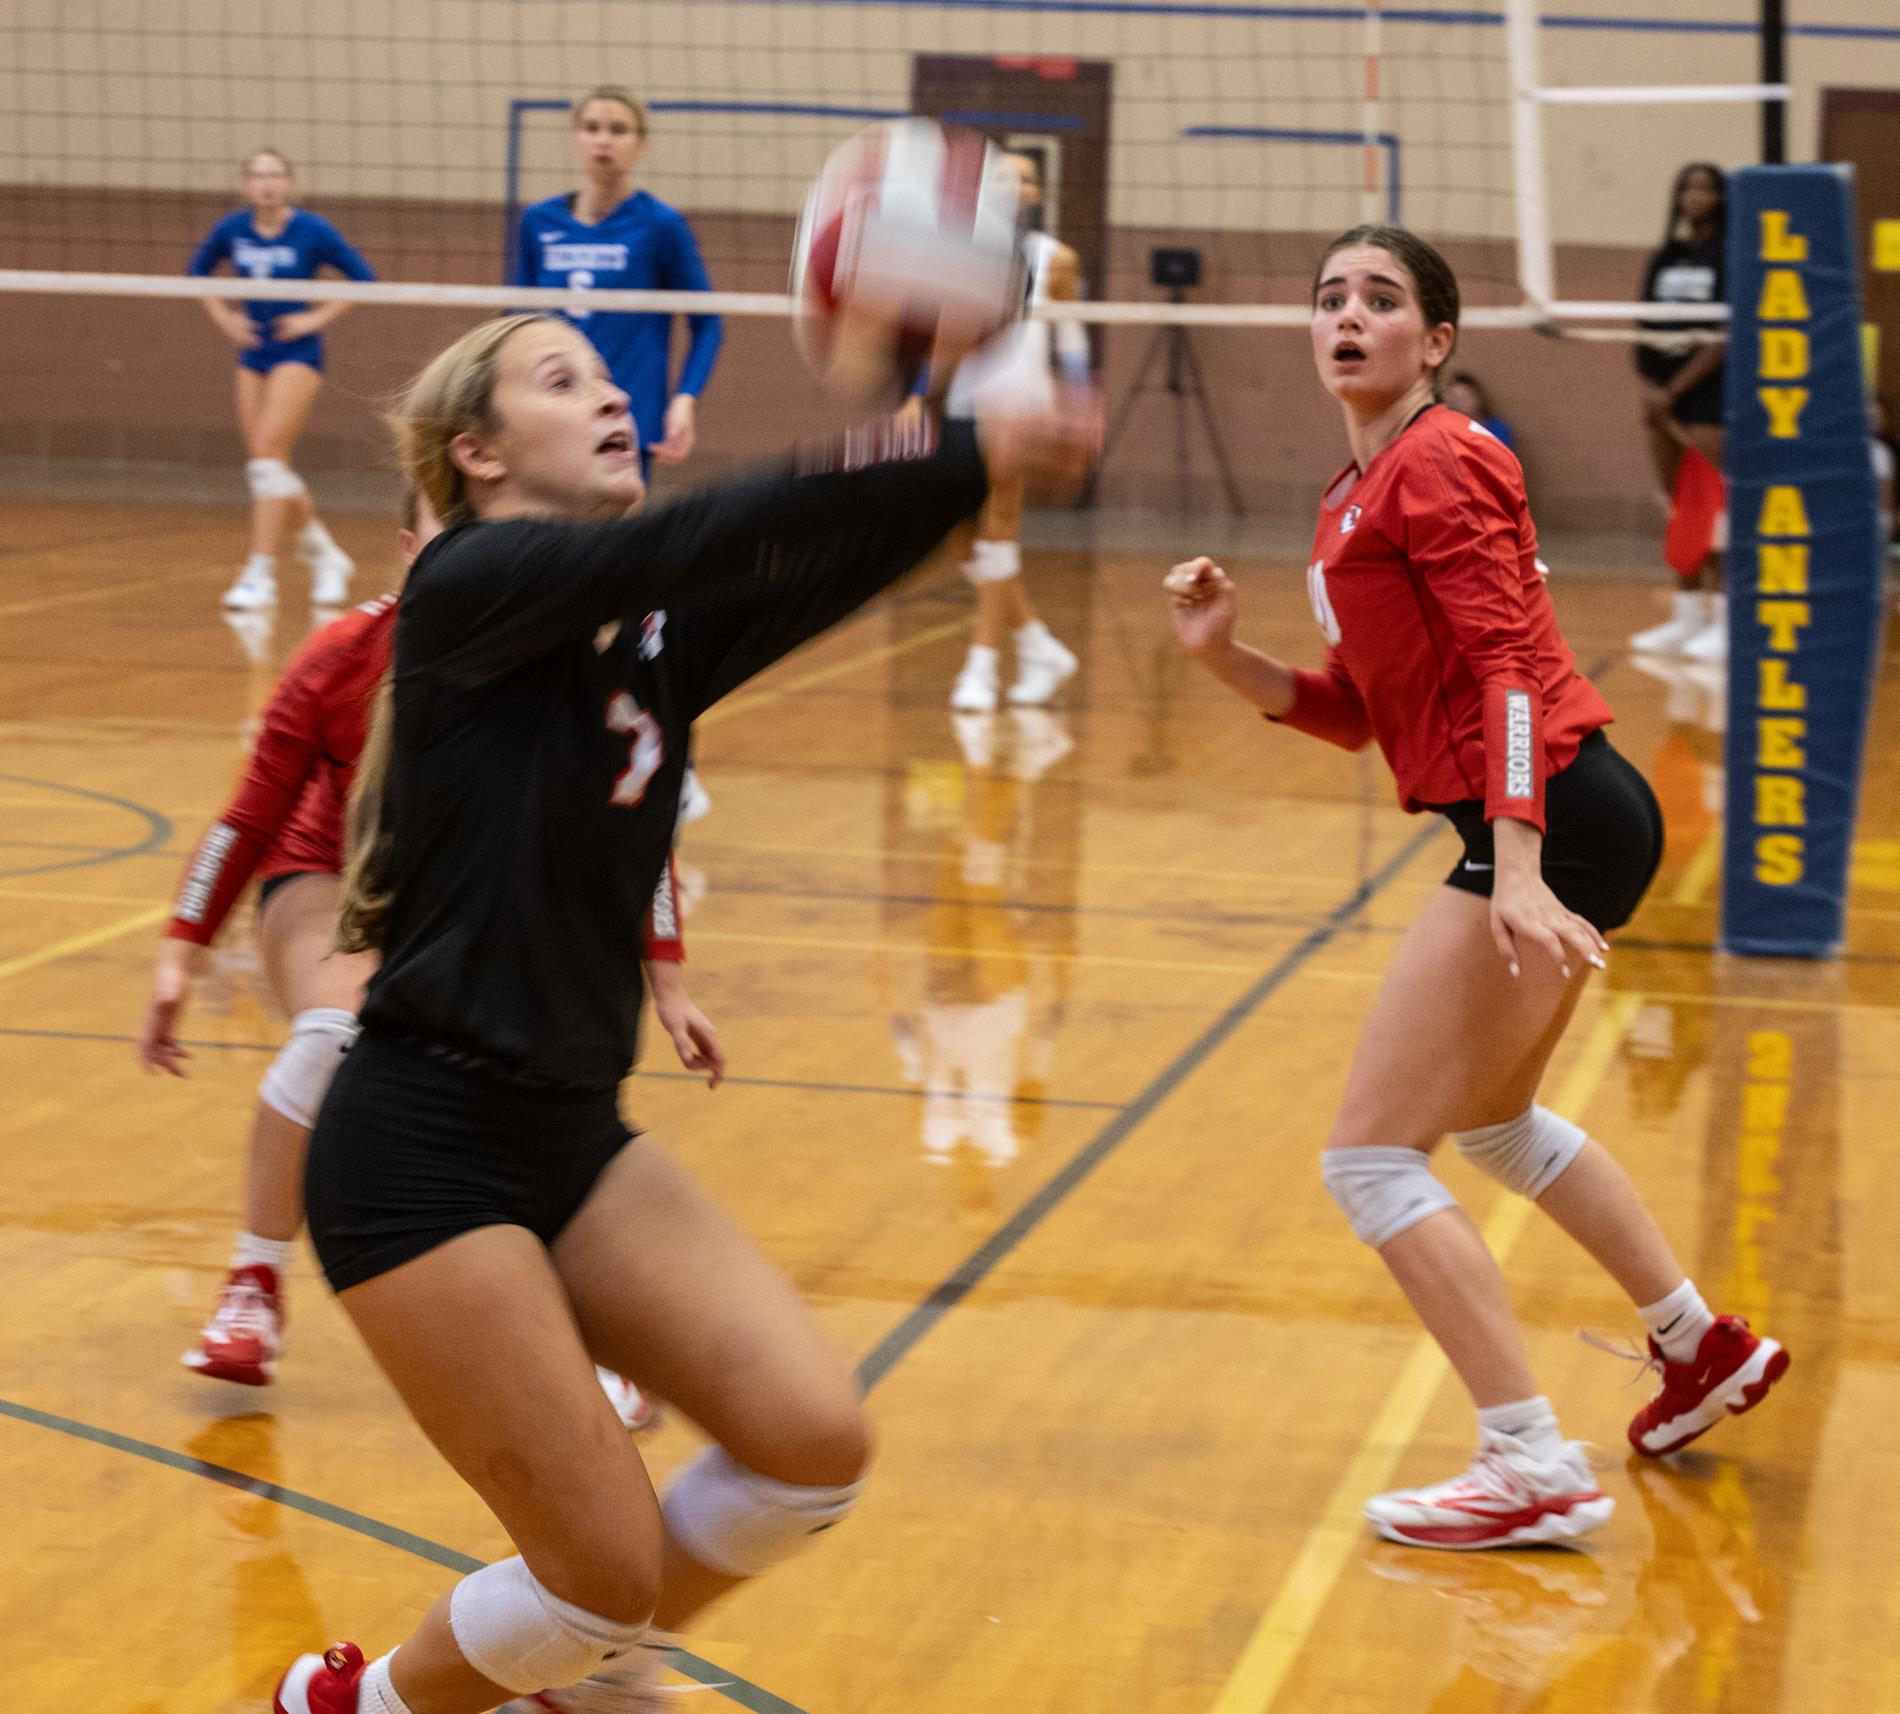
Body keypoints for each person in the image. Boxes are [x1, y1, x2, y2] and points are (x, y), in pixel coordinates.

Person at [270, 313, 1093, 1713]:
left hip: (569, 1132)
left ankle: (564, 1681)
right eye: (562, 380)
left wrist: (975, 477)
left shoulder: (634, 630)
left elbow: (804, 568)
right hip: (422, 1146)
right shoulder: (469, 580)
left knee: (808, 1441)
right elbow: (698, 540)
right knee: (594, 1573)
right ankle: (352, 1707)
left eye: (611, 378)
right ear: (475, 452)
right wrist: (953, 437)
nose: (611, 399)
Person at [1162, 224, 1785, 1551]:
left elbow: (1507, 661)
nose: (1347, 315)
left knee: (1370, 1155)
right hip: (1556, 808)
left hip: (1548, 808)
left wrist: (1510, 862)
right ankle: (1699, 1344)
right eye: (1328, 295)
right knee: (1495, 1126)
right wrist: (1224, 657)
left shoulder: (1444, 457)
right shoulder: (1352, 492)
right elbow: (1360, 711)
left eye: (1380, 299)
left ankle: (1529, 1459)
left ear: (1434, 341)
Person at [139, 493, 710, 1432]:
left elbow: (639, 835)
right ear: (411, 550)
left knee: (530, 1084)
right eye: (464, 542)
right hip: (334, 877)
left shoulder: (574, 670)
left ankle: (581, 1339)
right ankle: (253, 1282)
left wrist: (670, 979)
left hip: (480, 896)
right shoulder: (342, 656)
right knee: (333, 1033)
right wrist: (180, 951)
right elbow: (246, 816)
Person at [513, 86, 725, 823]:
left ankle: (672, 761)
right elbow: (514, 330)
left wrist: (684, 400)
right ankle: (561, 747)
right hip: (543, 438)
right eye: (593, 127)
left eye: (619, 129)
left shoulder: (659, 226)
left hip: (616, 438)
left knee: (625, 594)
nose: (604, 140)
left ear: (639, 142)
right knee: (551, 592)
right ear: (576, 138)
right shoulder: (538, 223)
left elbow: (708, 321)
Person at [931, 150, 1087, 714]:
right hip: (963, 400)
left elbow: (1069, 338)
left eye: (1025, 179)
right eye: (1002, 175)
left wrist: (1080, 401)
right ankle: (1038, 645)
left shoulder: (1056, 259)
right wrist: (913, 398)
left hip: (1021, 407)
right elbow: (939, 334)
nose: (1014, 185)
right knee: (959, 536)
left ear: (1036, 196)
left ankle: (982, 665)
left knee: (999, 534)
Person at [188, 149, 377, 612]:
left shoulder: (312, 230)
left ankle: (260, 572)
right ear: (246, 184)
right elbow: (198, 275)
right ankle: (327, 556)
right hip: (253, 351)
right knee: (265, 466)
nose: (267, 184)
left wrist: (316, 319)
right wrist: (225, 319)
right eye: (258, 175)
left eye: (276, 175)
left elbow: (364, 278)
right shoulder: (232, 229)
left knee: (269, 455)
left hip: (298, 353)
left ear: (289, 183)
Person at [1628, 163, 1729, 660]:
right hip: (1663, 390)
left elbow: (1725, 338)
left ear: (1721, 197)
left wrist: (1677, 389)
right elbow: (1642, 327)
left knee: (1713, 503)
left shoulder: (1729, 256)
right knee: (1679, 507)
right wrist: (1654, 387)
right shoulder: (1664, 257)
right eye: (1687, 186)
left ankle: (1728, 616)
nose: (1696, 196)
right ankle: (1688, 613)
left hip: (1708, 395)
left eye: (1706, 187)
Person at [1440, 371, 1514, 453]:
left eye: (1463, 398)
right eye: (1453, 398)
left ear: (1478, 398)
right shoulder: (1442, 430)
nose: (1457, 404)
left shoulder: (1497, 429)